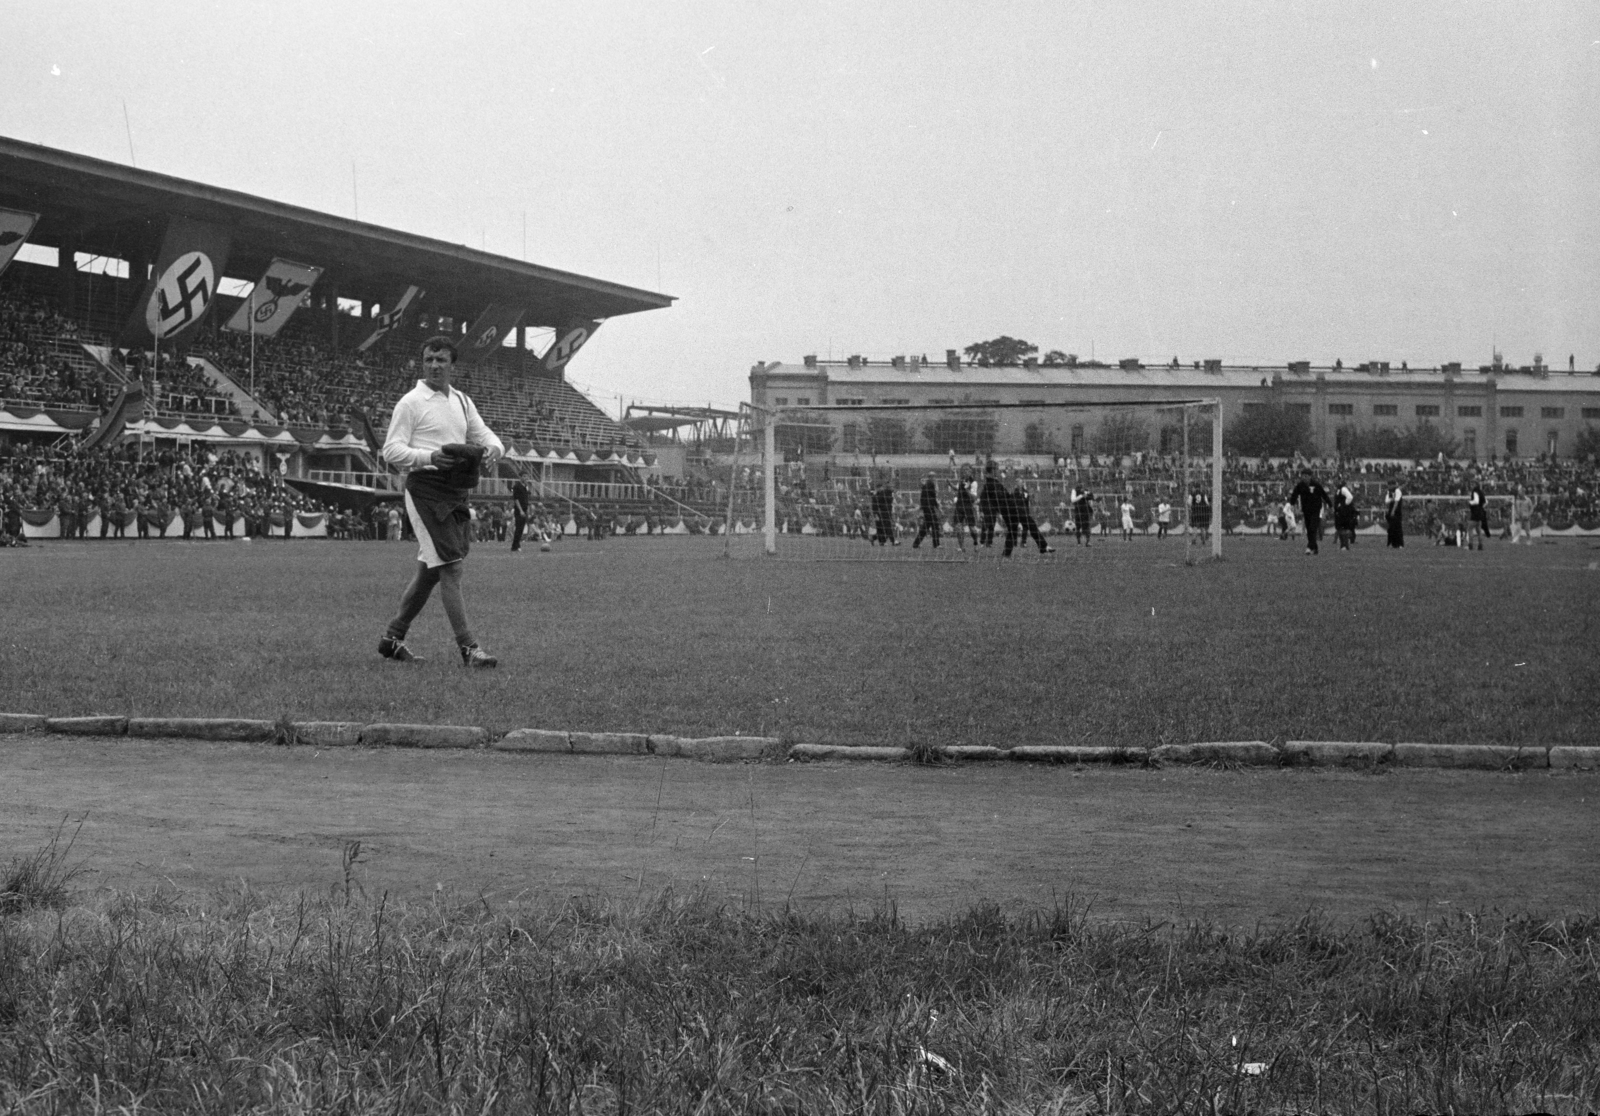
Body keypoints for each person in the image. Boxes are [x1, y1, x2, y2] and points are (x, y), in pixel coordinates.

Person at [376, 336, 504, 668]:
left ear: (452, 365)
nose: (435, 365)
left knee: (430, 572)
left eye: (441, 360)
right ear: (422, 362)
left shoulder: (461, 401)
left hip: (455, 491)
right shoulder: (410, 402)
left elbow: (484, 433)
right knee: (451, 566)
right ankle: (469, 648)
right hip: (424, 489)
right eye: (429, 358)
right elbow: (391, 450)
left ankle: (392, 638)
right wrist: (428, 456)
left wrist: (493, 449)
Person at [1008, 477, 1053, 556]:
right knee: (1012, 530)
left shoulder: (1025, 492)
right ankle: (1010, 547)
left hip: (1024, 514)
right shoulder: (1013, 493)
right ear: (1016, 484)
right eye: (1019, 482)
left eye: (1021, 482)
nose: (1021, 483)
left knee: (1033, 528)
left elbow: (1027, 503)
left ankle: (1043, 546)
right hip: (1016, 514)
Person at [1289, 469, 1330, 555]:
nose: (1304, 477)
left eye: (1306, 476)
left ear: (1310, 476)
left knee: (1312, 528)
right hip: (1306, 510)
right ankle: (1315, 548)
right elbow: (1294, 494)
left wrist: (1330, 505)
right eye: (1303, 476)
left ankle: (1309, 547)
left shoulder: (1316, 485)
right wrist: (1292, 504)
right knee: (1309, 529)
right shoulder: (1300, 485)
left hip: (1315, 510)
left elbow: (1324, 495)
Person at [950, 467, 978, 550]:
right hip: (959, 506)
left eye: (967, 471)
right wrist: (950, 484)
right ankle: (961, 547)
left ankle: (976, 543)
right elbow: (957, 489)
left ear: (970, 473)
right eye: (964, 471)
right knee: (958, 527)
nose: (965, 472)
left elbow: (973, 497)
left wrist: (966, 490)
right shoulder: (961, 480)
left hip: (968, 506)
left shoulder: (973, 483)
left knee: (972, 528)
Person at [978, 461, 1005, 547]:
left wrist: (998, 510)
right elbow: (982, 497)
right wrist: (981, 510)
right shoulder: (988, 483)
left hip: (993, 508)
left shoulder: (995, 482)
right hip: (987, 508)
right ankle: (982, 542)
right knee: (985, 525)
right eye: (996, 468)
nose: (998, 470)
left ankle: (989, 542)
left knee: (992, 526)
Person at [912, 472, 941, 549]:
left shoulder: (927, 485)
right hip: (928, 508)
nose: (934, 478)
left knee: (925, 527)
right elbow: (932, 497)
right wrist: (937, 508)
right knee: (935, 525)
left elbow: (930, 497)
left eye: (934, 476)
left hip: (927, 508)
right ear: (930, 477)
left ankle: (916, 544)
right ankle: (936, 544)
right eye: (933, 476)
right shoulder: (930, 485)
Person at [1332, 477, 1358, 551]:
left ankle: (1344, 545)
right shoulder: (1338, 489)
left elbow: (1350, 497)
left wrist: (1342, 505)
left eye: (1338, 480)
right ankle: (1343, 545)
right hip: (1339, 511)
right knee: (1340, 528)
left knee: (1343, 528)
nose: (1336, 481)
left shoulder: (1343, 489)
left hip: (1343, 512)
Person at [870, 477, 897, 546]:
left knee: (883, 529)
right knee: (885, 528)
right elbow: (874, 506)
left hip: (886, 513)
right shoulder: (877, 495)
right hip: (881, 513)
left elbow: (890, 494)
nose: (881, 489)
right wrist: (875, 514)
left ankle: (875, 539)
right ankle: (892, 541)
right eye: (880, 487)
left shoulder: (885, 493)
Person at [510, 478, 531, 551]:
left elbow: (526, 499)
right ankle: (514, 546)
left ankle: (517, 544)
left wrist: (527, 510)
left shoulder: (525, 486)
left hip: (525, 509)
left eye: (526, 476)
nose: (526, 478)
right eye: (524, 476)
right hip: (519, 510)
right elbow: (516, 499)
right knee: (518, 528)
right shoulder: (517, 486)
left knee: (521, 528)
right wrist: (521, 510)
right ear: (520, 477)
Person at [1467, 479, 1489, 550]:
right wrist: (1481, 507)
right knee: (1479, 530)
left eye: (1472, 484)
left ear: (1475, 485)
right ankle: (1480, 546)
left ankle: (1470, 545)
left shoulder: (1475, 491)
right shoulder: (1481, 492)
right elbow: (1486, 502)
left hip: (1475, 513)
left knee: (1470, 529)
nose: (1471, 486)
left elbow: (1476, 501)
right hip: (1480, 513)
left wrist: (1470, 502)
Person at [1384, 481, 1405, 548]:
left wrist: (1393, 511)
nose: (1388, 487)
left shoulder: (1397, 491)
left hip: (1397, 511)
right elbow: (1386, 501)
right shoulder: (1389, 492)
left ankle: (1400, 544)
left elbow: (1396, 502)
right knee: (1391, 528)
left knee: (1398, 527)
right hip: (1391, 510)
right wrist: (1391, 499)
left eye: (1389, 485)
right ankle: (1392, 543)